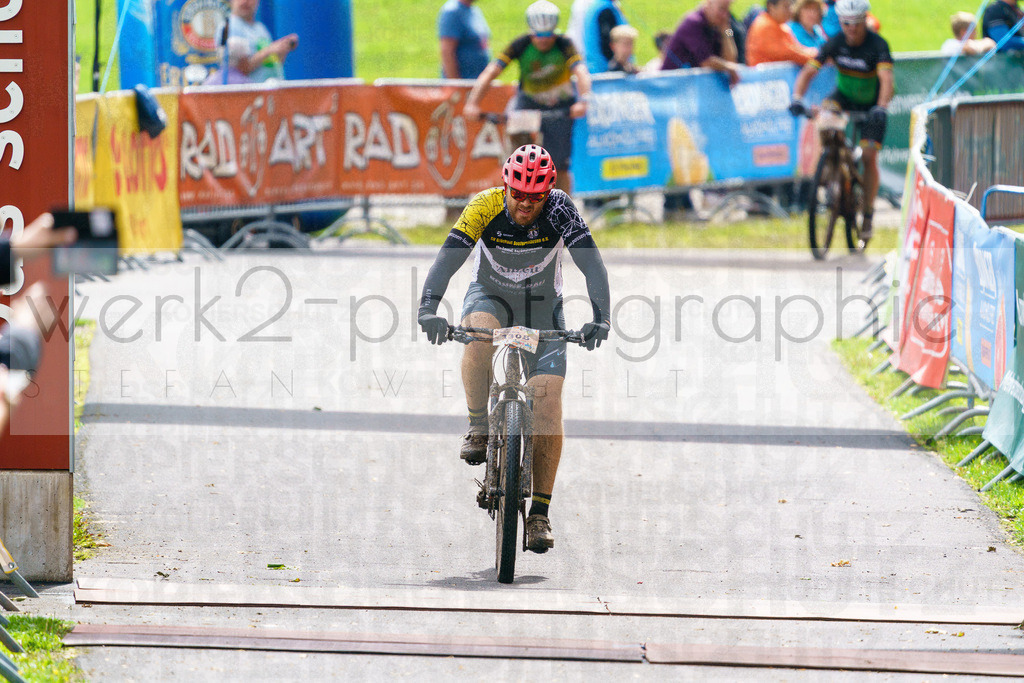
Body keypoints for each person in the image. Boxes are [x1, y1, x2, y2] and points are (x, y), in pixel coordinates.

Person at [417, 145, 611, 553]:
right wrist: (429, 308)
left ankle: (539, 513)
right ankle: (478, 426)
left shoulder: (561, 210)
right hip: (490, 295)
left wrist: (601, 317)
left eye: (535, 196)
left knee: (548, 396)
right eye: (518, 193)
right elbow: (448, 258)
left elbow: (592, 265)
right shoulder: (484, 206)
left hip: (543, 305)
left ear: (548, 192)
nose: (525, 203)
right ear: (506, 186)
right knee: (477, 332)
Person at [790, 0, 893, 242]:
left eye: (857, 23)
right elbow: (809, 71)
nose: (852, 29)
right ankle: (832, 168)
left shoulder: (878, 45)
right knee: (824, 120)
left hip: (872, 104)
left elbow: (886, 80)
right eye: (846, 24)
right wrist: (796, 97)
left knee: (868, 157)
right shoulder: (835, 43)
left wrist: (882, 106)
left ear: (864, 21)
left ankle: (867, 214)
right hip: (844, 98)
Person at [462, 0, 592, 194]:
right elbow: (491, 72)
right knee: (518, 157)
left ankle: (565, 209)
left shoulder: (564, 44)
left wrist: (584, 101)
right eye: (538, 35)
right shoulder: (521, 44)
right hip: (528, 103)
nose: (543, 40)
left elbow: (581, 71)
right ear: (531, 32)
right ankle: (515, 200)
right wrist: (472, 103)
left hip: (559, 105)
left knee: (559, 164)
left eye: (548, 35)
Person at [662, 0, 743, 86]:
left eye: (727, 10)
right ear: (708, 4)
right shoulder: (693, 22)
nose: (724, 15)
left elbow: (731, 59)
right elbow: (707, 61)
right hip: (671, 86)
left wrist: (726, 30)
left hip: (692, 88)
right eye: (721, 9)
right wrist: (730, 69)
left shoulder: (721, 26)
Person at [225, 0, 298, 83]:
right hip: (250, 93)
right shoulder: (229, 27)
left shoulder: (261, 28)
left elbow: (272, 64)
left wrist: (282, 50)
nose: (246, 2)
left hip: (273, 90)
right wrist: (269, 50)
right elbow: (238, 70)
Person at [746, 0, 818, 66]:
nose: (790, 10)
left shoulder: (781, 25)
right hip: (765, 77)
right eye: (785, 7)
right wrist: (817, 57)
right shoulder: (765, 25)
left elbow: (796, 49)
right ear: (771, 7)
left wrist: (814, 54)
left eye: (790, 6)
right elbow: (788, 54)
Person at [438, 0, 491, 79]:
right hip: (463, 82)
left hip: (477, 82)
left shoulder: (475, 11)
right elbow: (447, 52)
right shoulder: (452, 12)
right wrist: (455, 84)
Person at [582, 0, 629, 75]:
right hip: (604, 72)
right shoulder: (605, 10)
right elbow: (608, 43)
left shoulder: (600, 5)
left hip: (595, 69)